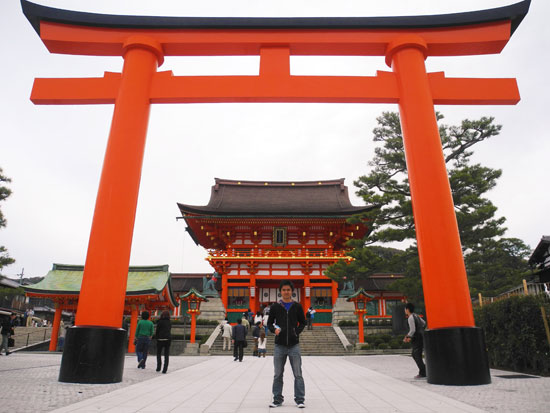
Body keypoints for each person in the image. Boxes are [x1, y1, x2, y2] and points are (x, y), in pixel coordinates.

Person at [267, 280, 306, 409]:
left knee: (298, 374)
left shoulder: (297, 306)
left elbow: (303, 322)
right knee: (278, 374)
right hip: (279, 345)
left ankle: (300, 399)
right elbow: (269, 323)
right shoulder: (275, 307)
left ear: (292, 291)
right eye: (284, 290)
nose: (286, 292)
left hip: (294, 345)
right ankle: (277, 399)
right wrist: (274, 330)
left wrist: (296, 332)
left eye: (288, 290)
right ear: (280, 291)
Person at [403, 302, 426, 379]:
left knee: (416, 354)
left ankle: (423, 372)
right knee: (416, 354)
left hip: (417, 338)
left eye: (405, 309)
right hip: (420, 336)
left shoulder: (410, 317)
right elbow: (424, 323)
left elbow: (412, 330)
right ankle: (424, 370)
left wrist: (407, 337)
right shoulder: (416, 315)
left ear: (407, 309)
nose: (405, 310)